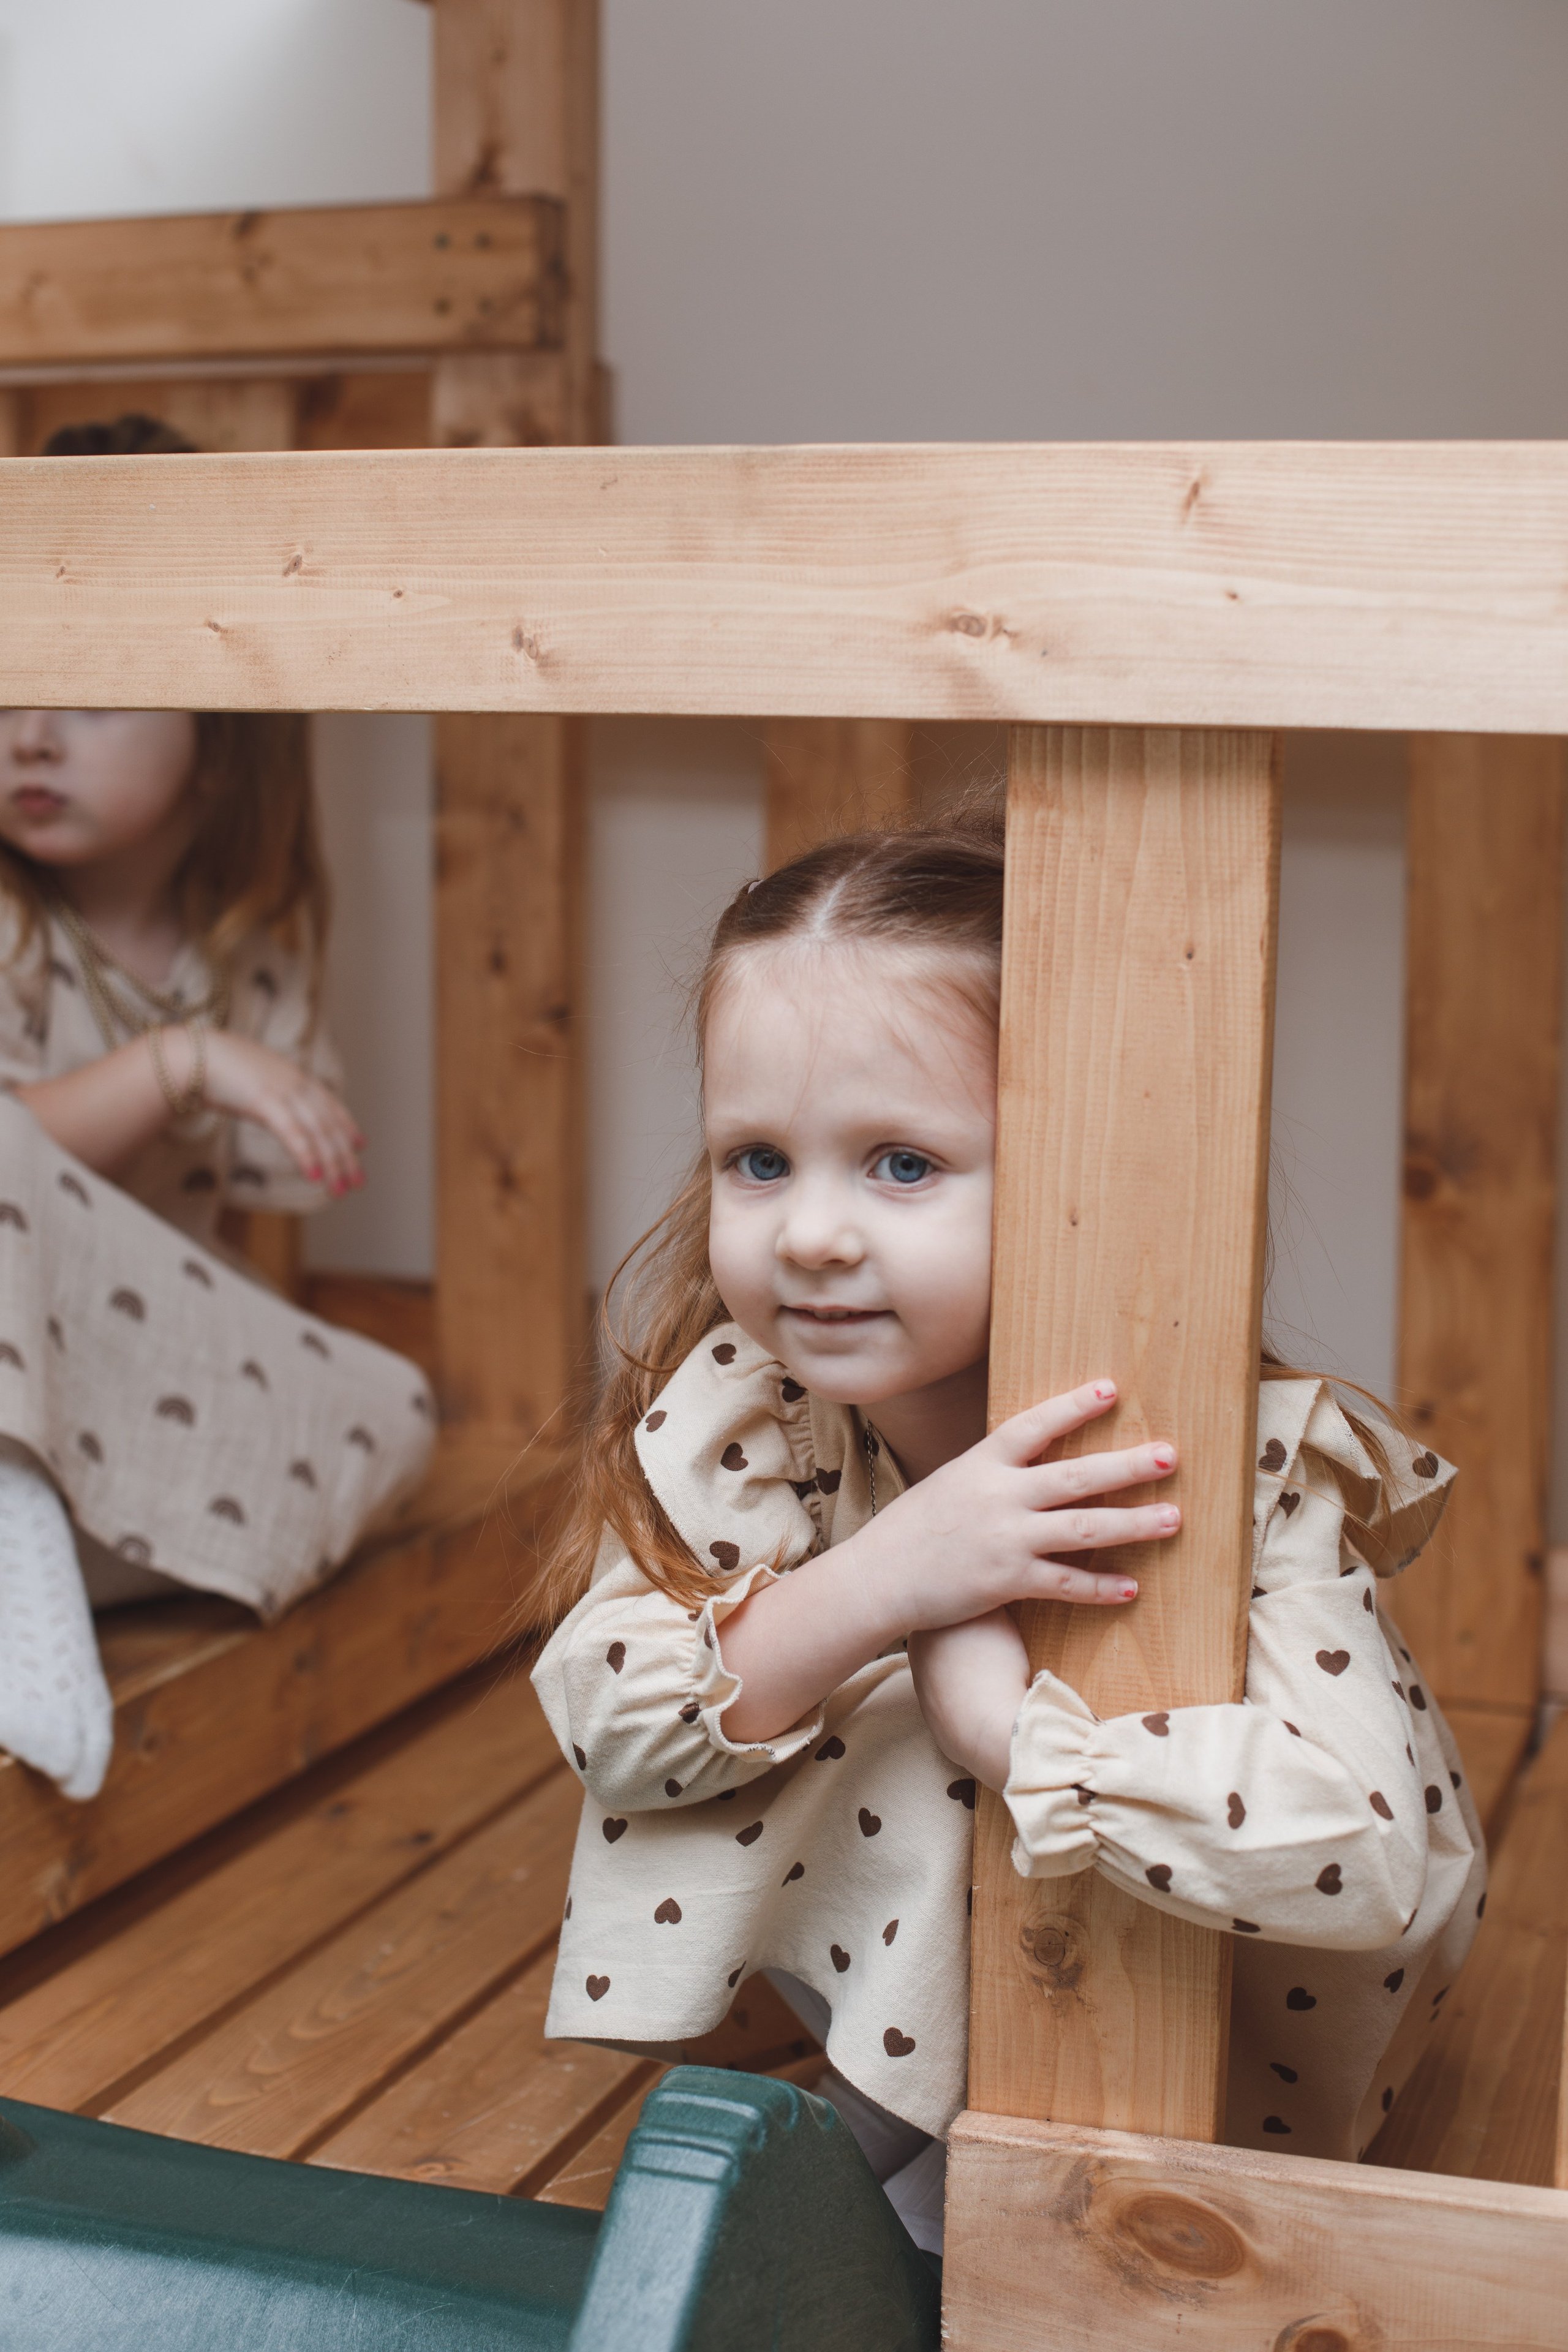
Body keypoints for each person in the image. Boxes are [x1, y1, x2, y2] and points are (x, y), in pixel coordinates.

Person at [530, 796, 1483, 2256]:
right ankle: (913, 2135)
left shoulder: (1226, 1466)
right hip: (944, 1990)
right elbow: (611, 1726)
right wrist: (887, 1578)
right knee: (837, 1661)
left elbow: (1368, 1860)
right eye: (757, 1161)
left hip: (1235, 2064)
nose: (809, 1235)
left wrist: (1013, 1737)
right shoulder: (755, 1415)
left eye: (901, 1164)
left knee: (947, 1705)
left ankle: (947, 2167)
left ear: (1079, 1182)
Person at [0, 423, 434, 1807]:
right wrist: (184, 1067)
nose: (32, 734)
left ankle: (38, 1540)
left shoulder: (247, 939)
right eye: (7, 685)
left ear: (221, 735)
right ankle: (15, 1512)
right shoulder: (11, 926)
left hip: (102, 1384)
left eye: (97, 693)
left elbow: (256, 1214)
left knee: (398, 1406)